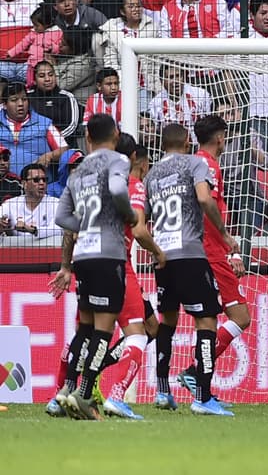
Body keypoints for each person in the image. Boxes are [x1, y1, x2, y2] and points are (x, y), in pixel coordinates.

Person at [142, 121, 237, 416]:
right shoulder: (196, 163)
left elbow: (142, 218)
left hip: (163, 256)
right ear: (186, 141)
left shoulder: (152, 174)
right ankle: (203, 397)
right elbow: (204, 198)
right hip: (191, 254)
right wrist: (223, 234)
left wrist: (154, 250)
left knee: (167, 321)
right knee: (206, 322)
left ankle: (162, 391)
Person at [47, 116, 137, 420]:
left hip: (82, 255)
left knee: (83, 328)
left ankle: (66, 391)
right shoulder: (118, 159)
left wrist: (86, 225)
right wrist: (129, 216)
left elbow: (62, 217)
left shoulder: (79, 170)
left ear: (87, 136)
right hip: (108, 253)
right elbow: (117, 189)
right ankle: (85, 394)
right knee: (104, 328)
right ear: (115, 134)